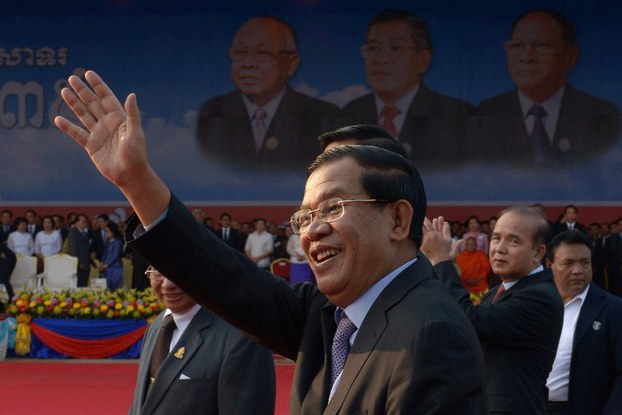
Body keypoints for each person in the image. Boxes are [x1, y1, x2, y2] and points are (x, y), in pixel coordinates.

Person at [55, 70, 487, 414]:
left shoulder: (431, 334)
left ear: (397, 218)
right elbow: (225, 278)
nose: (312, 231)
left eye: (334, 208)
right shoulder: (331, 316)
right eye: (306, 215)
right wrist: (136, 182)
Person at [422, 207, 564, 414]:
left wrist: (441, 261)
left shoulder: (540, 296)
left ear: (538, 252)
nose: (499, 248)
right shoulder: (498, 291)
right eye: (496, 238)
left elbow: (468, 320)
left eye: (513, 241)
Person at [474, 8, 621, 163]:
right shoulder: (485, 115)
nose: (527, 57)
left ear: (570, 57)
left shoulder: (601, 119)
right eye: (517, 46)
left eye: (541, 45)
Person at [195, 16, 339, 171]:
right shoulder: (213, 112)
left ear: (291, 63)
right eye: (240, 52)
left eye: (262, 53)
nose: (248, 64)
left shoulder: (324, 117)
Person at [128, 265, 276, 415]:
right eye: (158, 273)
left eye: (178, 271)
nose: (167, 284)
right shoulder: (157, 326)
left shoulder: (242, 337)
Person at [340, 9, 473, 166]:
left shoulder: (457, 117)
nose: (380, 59)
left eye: (395, 48)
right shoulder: (350, 113)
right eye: (373, 48)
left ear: (422, 60)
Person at [545, 230, 622, 414]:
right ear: (550, 265)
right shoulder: (536, 305)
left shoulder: (613, 309)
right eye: (568, 263)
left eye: (584, 263)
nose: (578, 270)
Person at [67, 213, 92, 287]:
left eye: (86, 222)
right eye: (83, 222)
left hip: (86, 263)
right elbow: (73, 249)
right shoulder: (73, 232)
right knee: (79, 285)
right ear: (77, 222)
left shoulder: (84, 232)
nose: (85, 224)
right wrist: (78, 262)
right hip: (79, 265)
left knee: (84, 284)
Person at [97, 222, 124, 290]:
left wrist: (106, 265)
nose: (106, 234)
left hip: (115, 268)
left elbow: (116, 255)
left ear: (113, 232)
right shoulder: (108, 242)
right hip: (106, 269)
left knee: (115, 288)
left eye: (107, 232)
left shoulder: (118, 242)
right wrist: (101, 263)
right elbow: (105, 254)